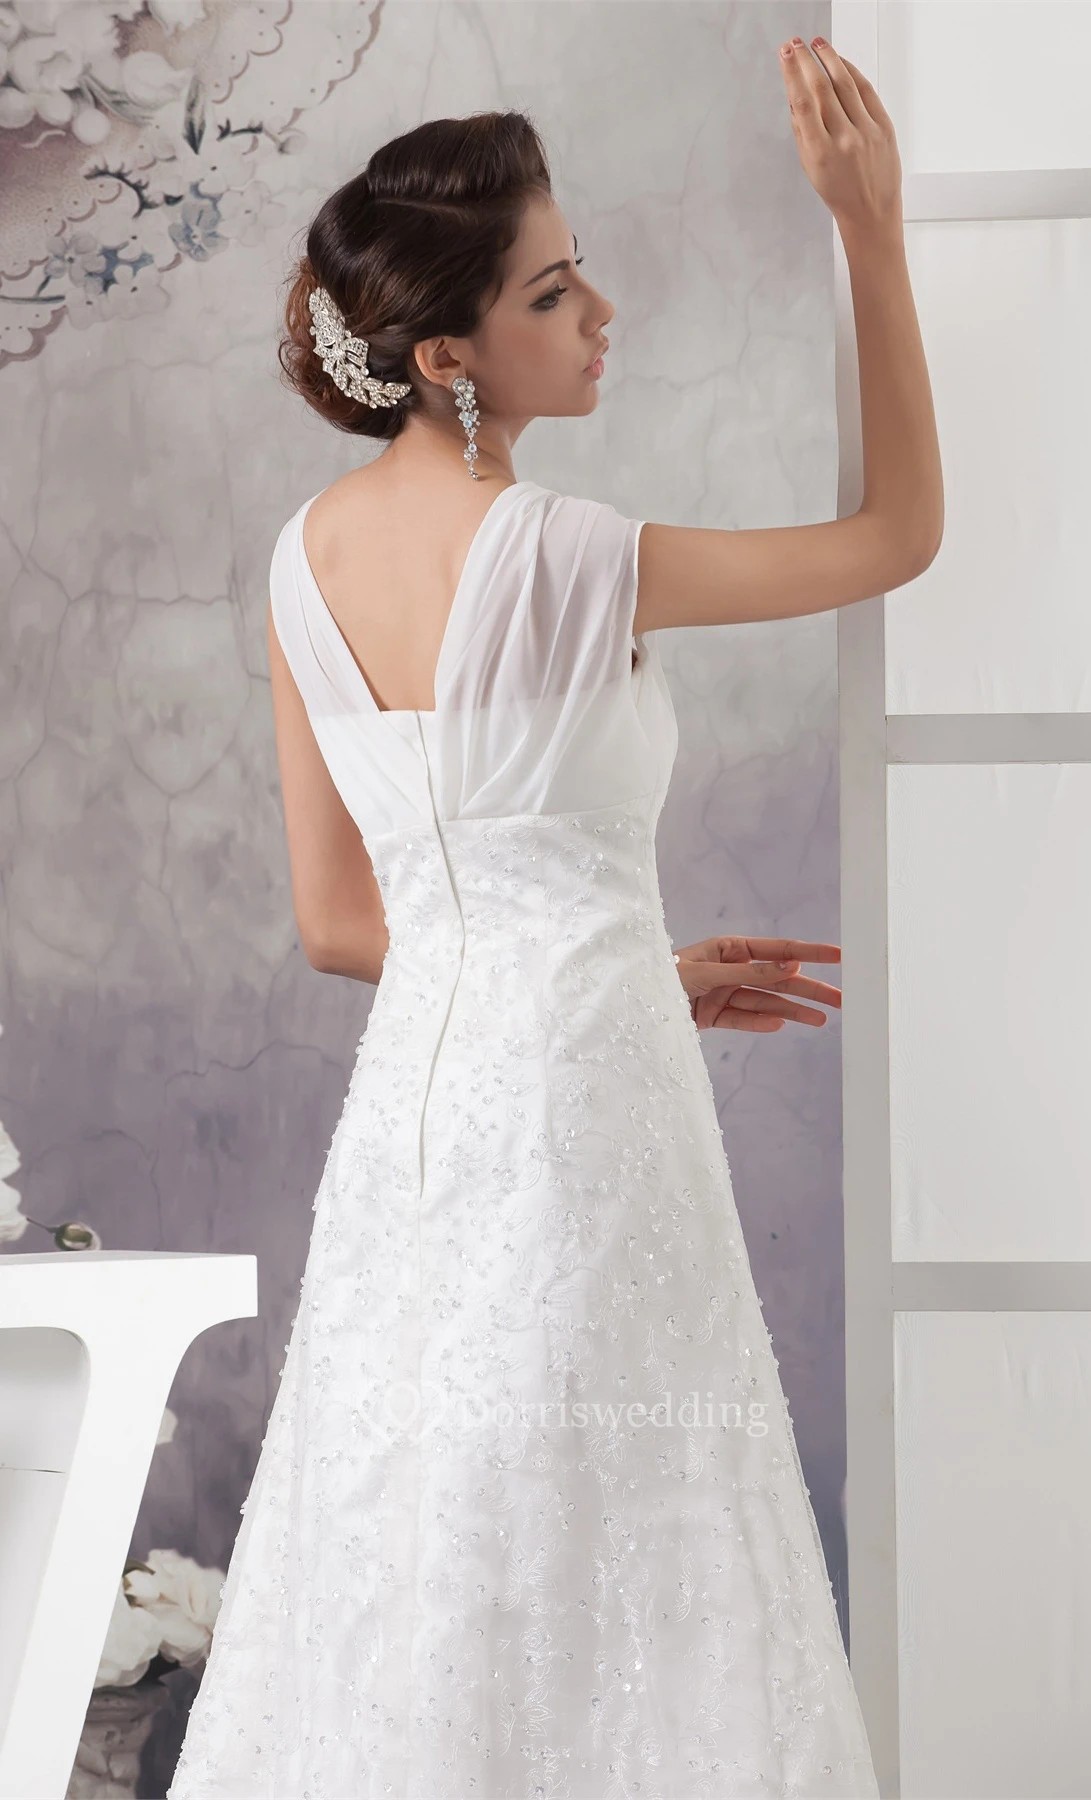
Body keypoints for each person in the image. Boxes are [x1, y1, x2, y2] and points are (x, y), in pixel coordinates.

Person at [168, 34, 940, 1800]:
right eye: (551, 290)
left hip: (416, 1141)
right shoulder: (572, 554)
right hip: (587, 1121)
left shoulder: (301, 561)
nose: (601, 311)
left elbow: (340, 921)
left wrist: (629, 972)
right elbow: (897, 533)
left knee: (422, 1527)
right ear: (446, 357)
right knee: (626, 1520)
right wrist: (869, 231)